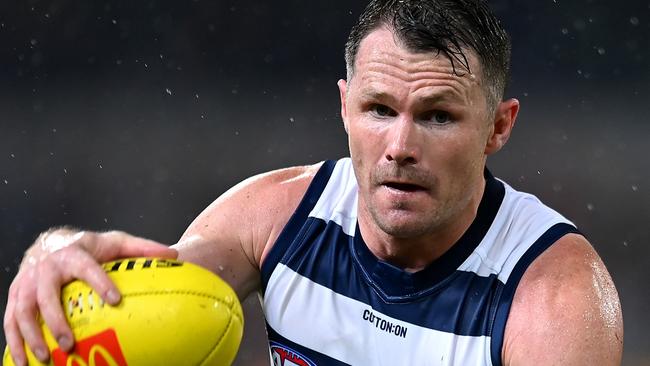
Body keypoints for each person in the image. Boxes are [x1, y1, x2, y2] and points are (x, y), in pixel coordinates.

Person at [4, 0, 624, 365]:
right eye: (379, 110)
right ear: (344, 108)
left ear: (498, 127)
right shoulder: (278, 217)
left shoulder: (554, 301)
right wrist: (56, 252)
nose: (401, 148)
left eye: (438, 116)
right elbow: (159, 297)